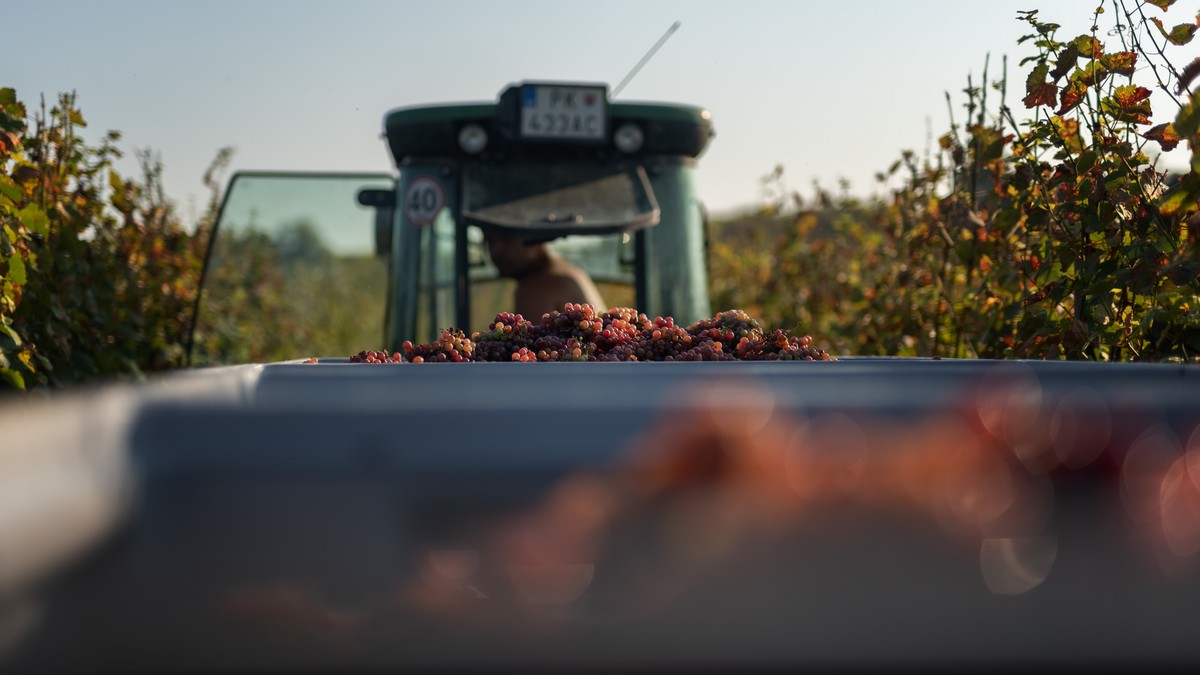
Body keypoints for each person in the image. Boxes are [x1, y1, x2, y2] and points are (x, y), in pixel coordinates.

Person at [484, 229, 606, 318]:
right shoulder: (569, 271)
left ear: (537, 239)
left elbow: (526, 344)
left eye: (507, 239)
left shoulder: (536, 286)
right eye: (489, 241)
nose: (496, 250)